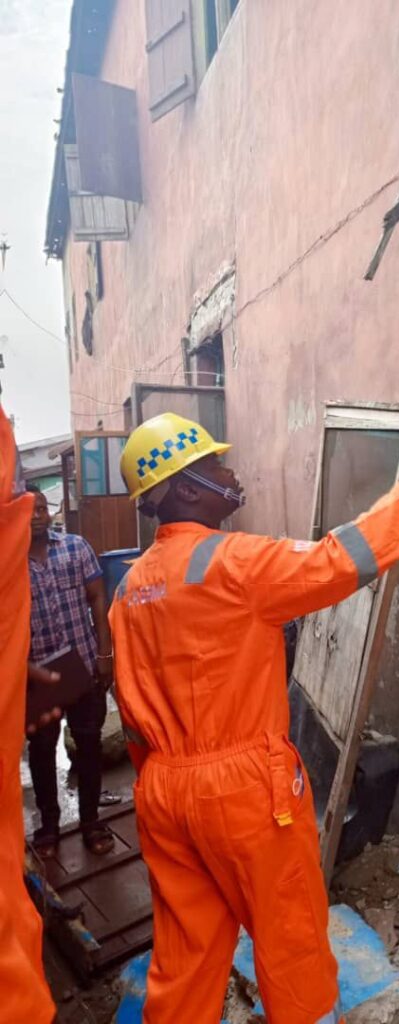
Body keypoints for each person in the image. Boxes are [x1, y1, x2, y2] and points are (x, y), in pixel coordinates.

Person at [110, 411, 399, 1024]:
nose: (231, 473)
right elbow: (335, 562)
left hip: (162, 792)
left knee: (186, 954)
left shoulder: (130, 590)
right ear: (188, 489)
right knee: (289, 935)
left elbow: (133, 710)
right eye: (215, 466)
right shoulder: (232, 562)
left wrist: (166, 780)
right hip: (243, 790)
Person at [0, 405, 56, 1023]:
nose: (29, 508)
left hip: (42, 684)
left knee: (80, 754)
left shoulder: (71, 554)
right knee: (45, 765)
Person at [27, 484, 115, 857]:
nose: (37, 515)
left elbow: (97, 598)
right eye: (29, 510)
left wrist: (104, 653)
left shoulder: (76, 547)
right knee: (43, 749)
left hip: (82, 664)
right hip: (39, 674)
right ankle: (49, 825)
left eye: (42, 508)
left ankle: (91, 820)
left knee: (89, 744)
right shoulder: (5, 561)